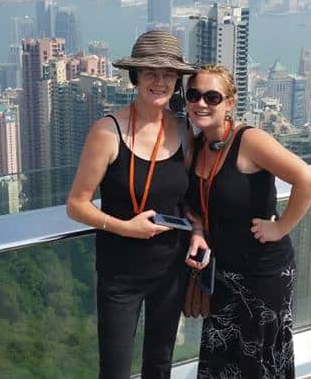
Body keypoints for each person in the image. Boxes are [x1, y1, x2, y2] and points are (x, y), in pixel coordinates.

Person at [66, 31, 197, 379]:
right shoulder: (108, 131)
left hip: (171, 269)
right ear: (135, 76)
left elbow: (187, 199)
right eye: (151, 72)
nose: (160, 81)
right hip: (120, 274)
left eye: (169, 74)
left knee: (160, 365)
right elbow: (76, 205)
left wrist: (197, 231)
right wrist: (126, 228)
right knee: (114, 370)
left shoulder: (183, 130)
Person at [185, 64, 311, 378]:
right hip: (222, 275)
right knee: (222, 360)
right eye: (194, 95)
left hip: (263, 274)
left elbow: (308, 180)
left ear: (229, 103)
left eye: (212, 97)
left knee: (259, 362)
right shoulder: (198, 145)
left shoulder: (250, 140)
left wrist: (280, 227)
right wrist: (198, 229)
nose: (201, 103)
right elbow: (195, 203)